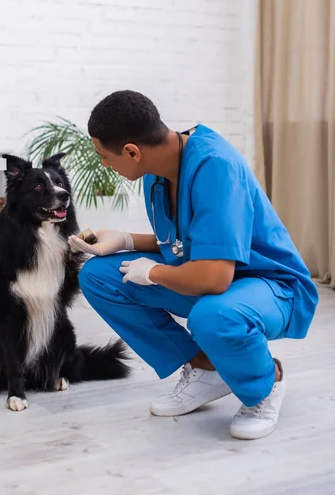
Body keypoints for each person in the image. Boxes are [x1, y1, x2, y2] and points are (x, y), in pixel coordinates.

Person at [68, 90, 318, 440]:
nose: (104, 165)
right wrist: (126, 240)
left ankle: (265, 383)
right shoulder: (157, 170)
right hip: (219, 278)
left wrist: (152, 272)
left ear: (131, 151)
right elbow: (185, 243)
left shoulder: (215, 167)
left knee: (214, 316)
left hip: (271, 285)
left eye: (104, 157)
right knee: (100, 277)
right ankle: (205, 368)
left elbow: (214, 277)